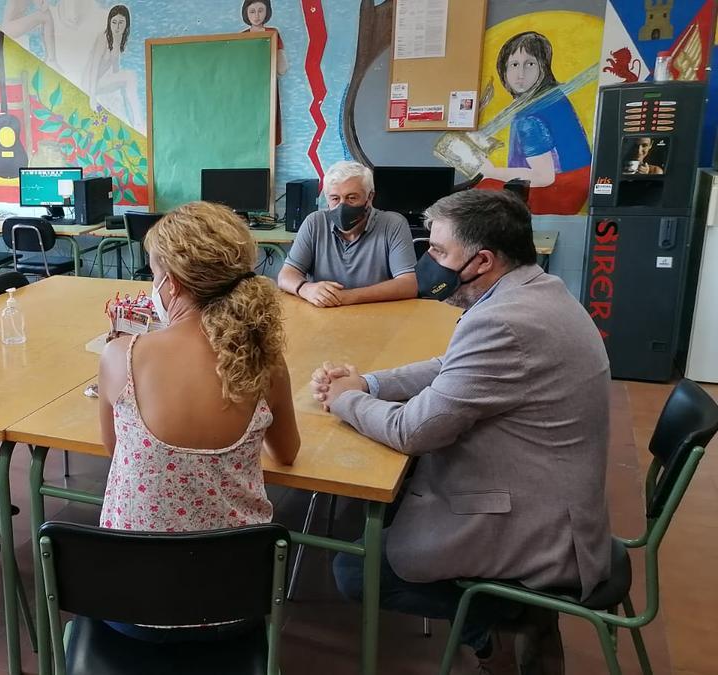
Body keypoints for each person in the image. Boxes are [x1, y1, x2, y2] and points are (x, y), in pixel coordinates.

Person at [313, 190, 611, 674]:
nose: (428, 260)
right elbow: (450, 365)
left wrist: (343, 399)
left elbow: (413, 430)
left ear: (483, 260)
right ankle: (509, 622)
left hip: (541, 531)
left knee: (355, 570)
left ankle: (507, 621)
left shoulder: (506, 321)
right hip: (552, 497)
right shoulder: (530, 292)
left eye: (439, 251)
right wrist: (368, 382)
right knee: (395, 508)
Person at [96, 201, 300, 640]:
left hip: (128, 605)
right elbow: (287, 453)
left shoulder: (122, 356)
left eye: (153, 273)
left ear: (170, 284)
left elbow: (115, 453)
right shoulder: (264, 360)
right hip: (235, 602)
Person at [477, 31, 592, 216]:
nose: (520, 74)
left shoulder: (528, 118)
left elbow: (543, 177)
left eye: (529, 64)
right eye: (514, 65)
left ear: (543, 68)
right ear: (504, 70)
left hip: (560, 191)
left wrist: (491, 171)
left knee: (480, 194)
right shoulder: (553, 97)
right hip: (577, 185)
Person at [277, 161, 418, 308]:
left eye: (352, 198)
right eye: (335, 198)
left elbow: (408, 284)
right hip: (323, 316)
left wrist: (347, 297)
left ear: (369, 197)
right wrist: (306, 289)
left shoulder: (393, 224)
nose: (342, 206)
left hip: (376, 316)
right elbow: (285, 276)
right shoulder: (315, 222)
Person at [83, 4, 144, 133]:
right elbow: (94, 67)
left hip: (101, 82)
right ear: (109, 23)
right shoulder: (103, 38)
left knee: (129, 77)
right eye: (114, 22)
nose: (117, 27)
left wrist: (120, 92)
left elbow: (115, 70)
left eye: (121, 23)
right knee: (130, 76)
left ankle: (136, 121)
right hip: (90, 83)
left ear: (126, 24)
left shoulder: (118, 40)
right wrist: (92, 97)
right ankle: (138, 122)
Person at [240, 0, 286, 144]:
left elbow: (282, 66)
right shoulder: (241, 36)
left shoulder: (273, 33)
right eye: (252, 11)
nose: (257, 15)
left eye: (261, 10)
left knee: (268, 119)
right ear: (246, 13)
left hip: (268, 83)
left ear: (267, 11)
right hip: (248, 85)